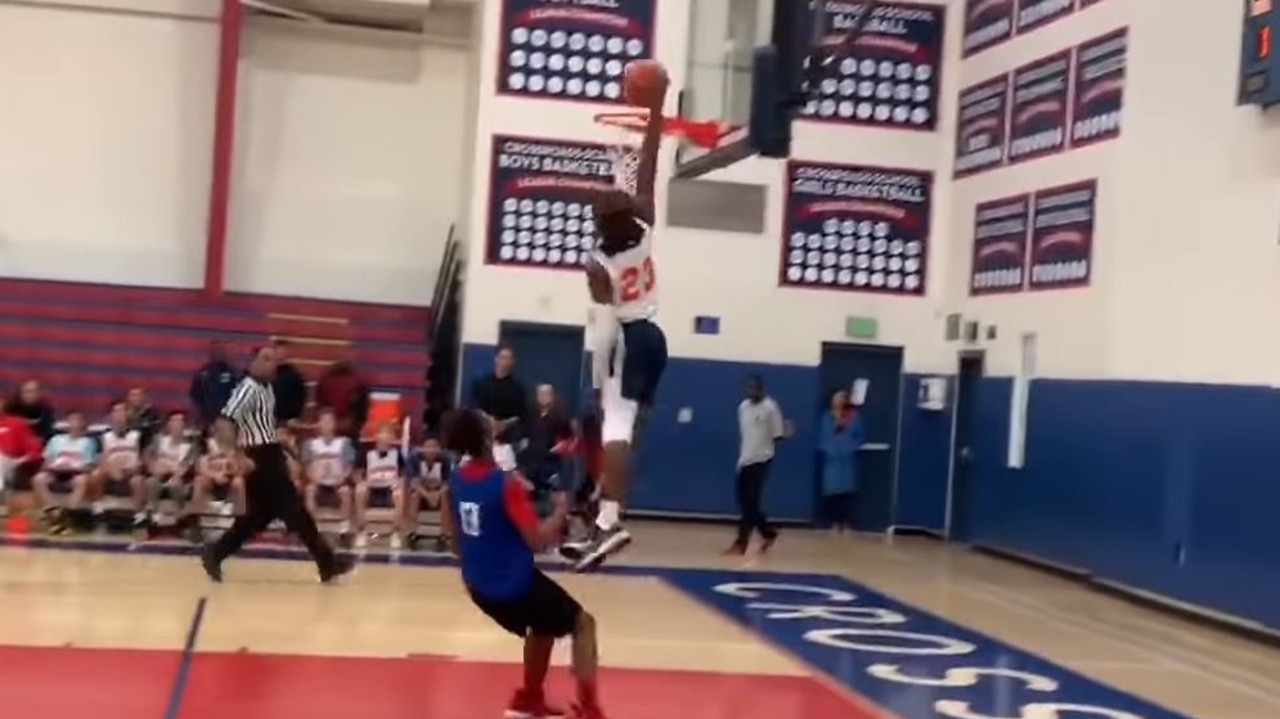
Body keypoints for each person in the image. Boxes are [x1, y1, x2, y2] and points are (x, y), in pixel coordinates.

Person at [561, 72, 669, 571]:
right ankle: (602, 521)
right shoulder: (644, 221)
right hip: (655, 335)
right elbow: (649, 163)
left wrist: (597, 371)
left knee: (615, 433)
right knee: (623, 432)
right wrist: (658, 104)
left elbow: (604, 324)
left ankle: (610, 524)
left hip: (623, 339)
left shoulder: (596, 262)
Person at [439, 409, 607, 719]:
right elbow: (536, 541)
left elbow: (453, 542)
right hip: (514, 585)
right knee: (584, 623)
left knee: (542, 625)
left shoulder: (454, 483)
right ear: (488, 437)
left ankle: (529, 699)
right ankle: (589, 709)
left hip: (478, 586)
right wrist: (559, 512)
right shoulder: (505, 484)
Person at [200, 346, 353, 583]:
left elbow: (265, 425)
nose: (272, 364)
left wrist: (286, 446)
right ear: (254, 363)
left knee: (257, 517)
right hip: (259, 457)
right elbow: (224, 420)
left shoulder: (267, 388)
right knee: (296, 511)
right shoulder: (247, 388)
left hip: (270, 452)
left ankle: (216, 552)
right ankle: (327, 563)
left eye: (274, 360)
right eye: (266, 359)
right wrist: (236, 455)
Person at [729, 375, 790, 555]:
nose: (751, 391)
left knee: (751, 502)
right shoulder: (742, 408)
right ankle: (768, 533)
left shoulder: (771, 407)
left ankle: (741, 543)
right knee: (746, 504)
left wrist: (786, 433)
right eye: (748, 388)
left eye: (754, 388)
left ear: (761, 389)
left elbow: (777, 435)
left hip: (762, 460)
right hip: (744, 460)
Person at [818, 389, 865, 534]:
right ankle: (833, 523)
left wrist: (850, 448)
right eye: (835, 398)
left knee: (846, 492)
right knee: (831, 492)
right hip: (831, 460)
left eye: (841, 398)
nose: (838, 401)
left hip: (847, 460)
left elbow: (860, 437)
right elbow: (821, 437)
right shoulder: (826, 417)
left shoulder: (854, 417)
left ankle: (845, 522)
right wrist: (827, 450)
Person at [353, 423, 406, 550]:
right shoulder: (366, 453)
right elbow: (356, 474)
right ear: (376, 436)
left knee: (399, 494)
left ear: (393, 438)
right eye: (383, 433)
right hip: (372, 487)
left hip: (389, 487)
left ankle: (395, 533)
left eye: (389, 434)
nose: (386, 437)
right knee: (360, 490)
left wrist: (400, 483)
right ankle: (362, 532)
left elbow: (403, 474)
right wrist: (361, 481)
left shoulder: (397, 454)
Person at [303, 408, 356, 533]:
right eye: (324, 421)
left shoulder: (344, 443)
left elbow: (349, 467)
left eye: (330, 421)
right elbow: (306, 467)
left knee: (346, 492)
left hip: (338, 482)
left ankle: (344, 528)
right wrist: (313, 479)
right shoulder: (310, 444)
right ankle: (311, 528)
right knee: (309, 490)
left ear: (335, 424)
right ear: (318, 424)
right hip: (317, 482)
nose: (327, 424)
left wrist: (342, 479)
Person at [95, 400, 147, 524]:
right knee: (96, 474)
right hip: (111, 473)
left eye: (123, 411)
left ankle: (139, 516)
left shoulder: (138, 435)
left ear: (128, 413)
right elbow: (100, 459)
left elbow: (144, 457)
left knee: (138, 481)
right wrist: (110, 468)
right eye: (116, 411)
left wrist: (137, 468)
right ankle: (98, 510)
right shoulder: (104, 436)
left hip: (132, 472)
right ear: (111, 415)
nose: (120, 414)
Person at [471, 347, 528, 441]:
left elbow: (521, 414)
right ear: (496, 359)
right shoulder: (481, 383)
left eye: (509, 358)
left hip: (507, 436)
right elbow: (474, 406)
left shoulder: (518, 388)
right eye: (502, 357)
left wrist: (504, 424)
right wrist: (489, 420)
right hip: (481, 432)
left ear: (513, 362)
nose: (505, 361)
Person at [189, 341, 239, 429]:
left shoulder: (233, 374)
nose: (217, 353)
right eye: (215, 350)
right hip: (207, 421)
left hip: (227, 421)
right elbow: (194, 398)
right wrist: (198, 420)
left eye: (220, 350)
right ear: (210, 352)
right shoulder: (202, 374)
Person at [271, 340, 308, 426]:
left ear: (288, 353)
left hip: (287, 422)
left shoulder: (295, 377)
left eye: (283, 351)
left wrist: (294, 417)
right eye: (278, 350)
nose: (280, 353)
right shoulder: (268, 374)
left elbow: (300, 397)